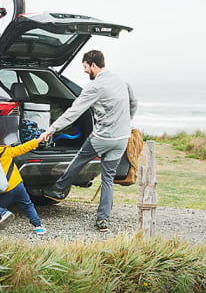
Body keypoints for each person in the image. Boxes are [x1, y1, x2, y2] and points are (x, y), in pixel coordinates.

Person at [37, 50, 137, 232]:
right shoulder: (121, 81)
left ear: (92, 65)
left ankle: (57, 189)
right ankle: (102, 220)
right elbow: (134, 103)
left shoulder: (94, 86)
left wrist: (50, 130)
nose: (84, 71)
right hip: (121, 138)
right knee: (108, 179)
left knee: (80, 159)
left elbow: (73, 112)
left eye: (85, 67)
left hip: (102, 137)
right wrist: (126, 123)